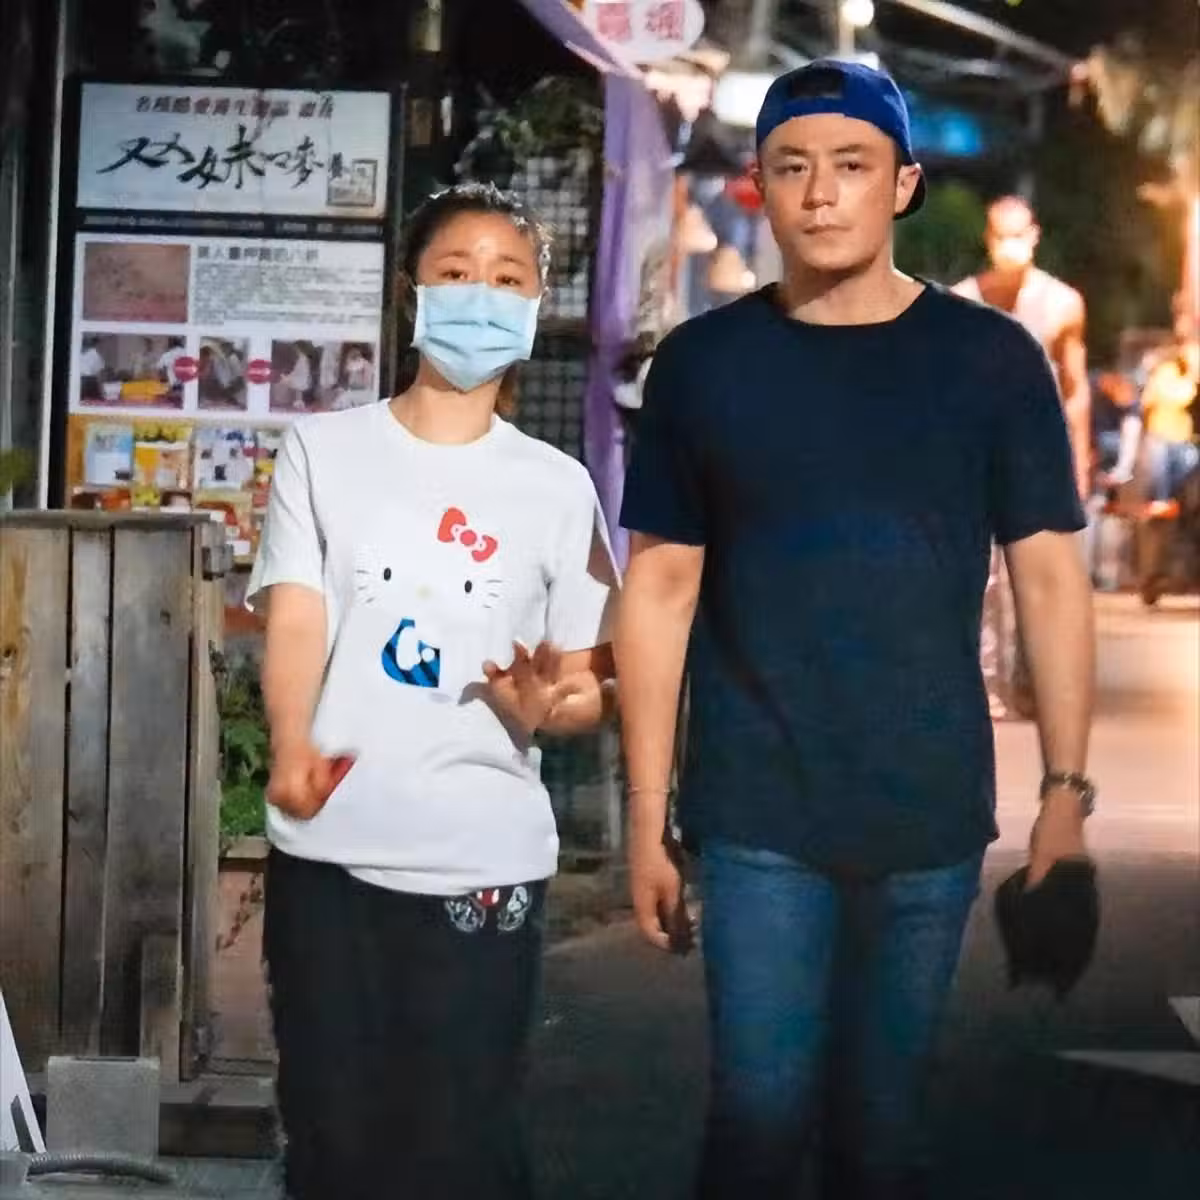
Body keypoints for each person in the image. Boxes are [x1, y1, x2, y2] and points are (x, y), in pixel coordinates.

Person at [616, 60, 1096, 1200]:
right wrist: (645, 814)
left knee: (882, 1140)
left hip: (928, 811)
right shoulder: (704, 365)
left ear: (904, 185)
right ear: (760, 187)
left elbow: (1049, 580)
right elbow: (661, 589)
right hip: (755, 810)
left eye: (851, 164)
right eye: (792, 167)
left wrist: (1065, 795)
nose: (821, 192)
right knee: (759, 1118)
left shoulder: (991, 360)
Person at [248, 182, 619, 1200]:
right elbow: (297, 617)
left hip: (481, 859)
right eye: (456, 272)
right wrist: (290, 744)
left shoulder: (558, 487)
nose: (480, 296)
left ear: (536, 307)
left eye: (507, 279)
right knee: (332, 1140)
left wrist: (549, 708)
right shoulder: (323, 452)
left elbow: (587, 683)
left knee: (460, 1145)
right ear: (411, 291)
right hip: (328, 853)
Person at [953, 196, 1091, 718]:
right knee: (983, 576)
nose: (1010, 246)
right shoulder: (962, 304)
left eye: (1018, 235)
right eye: (1000, 236)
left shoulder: (1062, 304)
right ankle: (987, 685)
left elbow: (1075, 389)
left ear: (1034, 237)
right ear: (988, 241)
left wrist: (1079, 461)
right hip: (977, 456)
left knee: (1036, 576)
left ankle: (1033, 680)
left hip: (1040, 454)